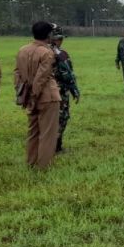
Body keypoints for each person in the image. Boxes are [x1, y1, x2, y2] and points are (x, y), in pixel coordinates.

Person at [14, 21, 61, 169]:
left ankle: (31, 162)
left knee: (33, 132)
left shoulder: (22, 50)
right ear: (48, 35)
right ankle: (44, 166)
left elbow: (17, 74)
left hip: (29, 95)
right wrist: (34, 95)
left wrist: (24, 94)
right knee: (48, 134)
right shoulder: (47, 52)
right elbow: (42, 77)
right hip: (47, 97)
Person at [51, 29, 80, 153]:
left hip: (62, 90)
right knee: (59, 118)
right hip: (55, 91)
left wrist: (74, 89)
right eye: (58, 39)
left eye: (61, 39)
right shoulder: (49, 54)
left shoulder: (62, 53)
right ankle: (54, 147)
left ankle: (56, 146)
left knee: (62, 117)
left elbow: (69, 73)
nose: (60, 41)